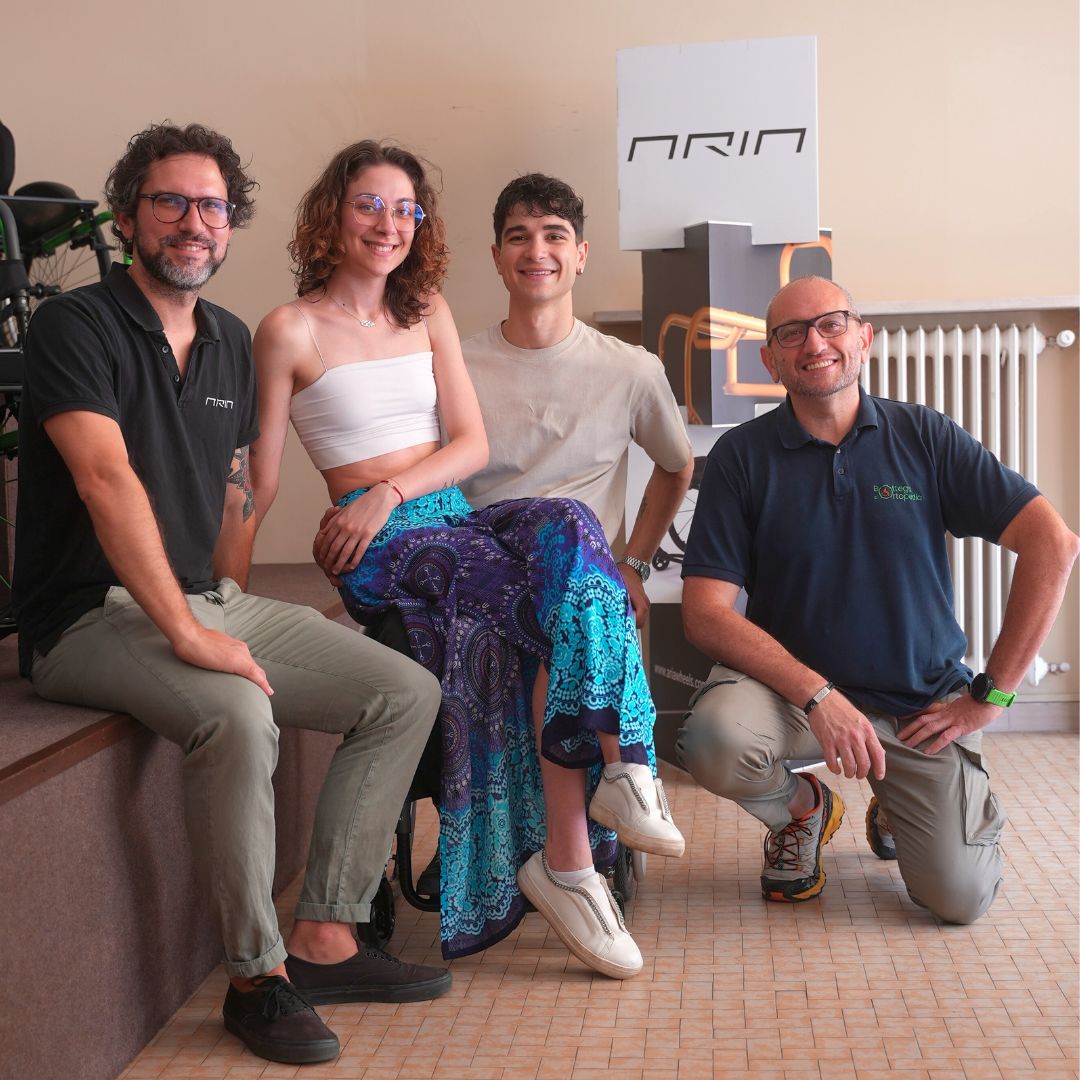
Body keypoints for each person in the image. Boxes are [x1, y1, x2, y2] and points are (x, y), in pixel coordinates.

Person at [11, 123, 451, 1068]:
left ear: (231, 223)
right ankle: (256, 978)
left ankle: (326, 935)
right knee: (240, 714)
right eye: (170, 202)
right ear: (128, 216)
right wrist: (191, 631)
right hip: (87, 615)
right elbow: (105, 481)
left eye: (212, 206)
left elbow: (235, 493)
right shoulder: (75, 327)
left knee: (404, 692)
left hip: (198, 596)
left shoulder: (224, 340)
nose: (194, 223)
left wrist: (227, 607)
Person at [251, 141, 683, 980]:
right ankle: (573, 861)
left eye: (405, 209)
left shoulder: (427, 311)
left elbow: (471, 445)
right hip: (381, 543)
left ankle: (620, 781)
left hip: (449, 516)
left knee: (570, 528)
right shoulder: (288, 328)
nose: (389, 224)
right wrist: (225, 601)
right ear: (332, 215)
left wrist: (395, 490)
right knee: (534, 612)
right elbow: (259, 483)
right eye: (370, 205)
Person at [676, 275, 1079, 923]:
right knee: (713, 740)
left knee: (960, 899)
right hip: (794, 698)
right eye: (791, 333)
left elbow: (1052, 544)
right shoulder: (741, 457)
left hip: (918, 702)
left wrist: (992, 696)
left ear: (863, 338)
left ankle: (897, 803)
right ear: (770, 360)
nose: (815, 343)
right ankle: (804, 810)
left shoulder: (925, 436)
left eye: (831, 324)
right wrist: (819, 695)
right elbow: (705, 613)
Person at [460, 173, 694, 627]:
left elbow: (677, 465)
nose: (537, 251)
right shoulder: (454, 367)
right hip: (479, 596)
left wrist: (635, 565)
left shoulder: (632, 369)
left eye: (555, 235)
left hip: (584, 600)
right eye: (518, 237)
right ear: (497, 257)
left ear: (581, 255)